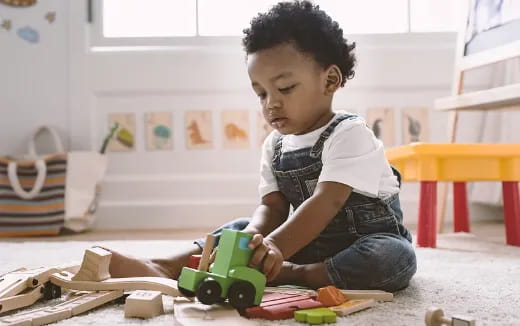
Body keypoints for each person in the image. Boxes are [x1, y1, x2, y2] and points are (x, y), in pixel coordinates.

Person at [106, 0, 416, 292]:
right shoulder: (275, 145)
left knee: (390, 257)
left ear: (330, 81)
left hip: (364, 241)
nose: (272, 103)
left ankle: (297, 275)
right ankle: (167, 265)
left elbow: (326, 203)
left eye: (285, 88)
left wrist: (276, 247)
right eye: (261, 93)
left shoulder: (350, 133)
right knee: (239, 229)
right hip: (304, 244)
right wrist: (254, 238)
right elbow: (273, 208)